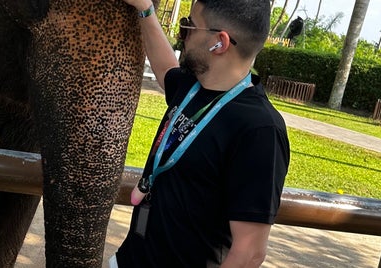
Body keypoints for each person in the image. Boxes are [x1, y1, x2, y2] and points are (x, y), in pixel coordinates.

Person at [112, 0, 290, 267]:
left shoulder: (260, 131)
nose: (181, 35)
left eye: (188, 27)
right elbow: (164, 69)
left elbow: (249, 252)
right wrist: (145, 9)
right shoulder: (192, 88)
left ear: (219, 42)